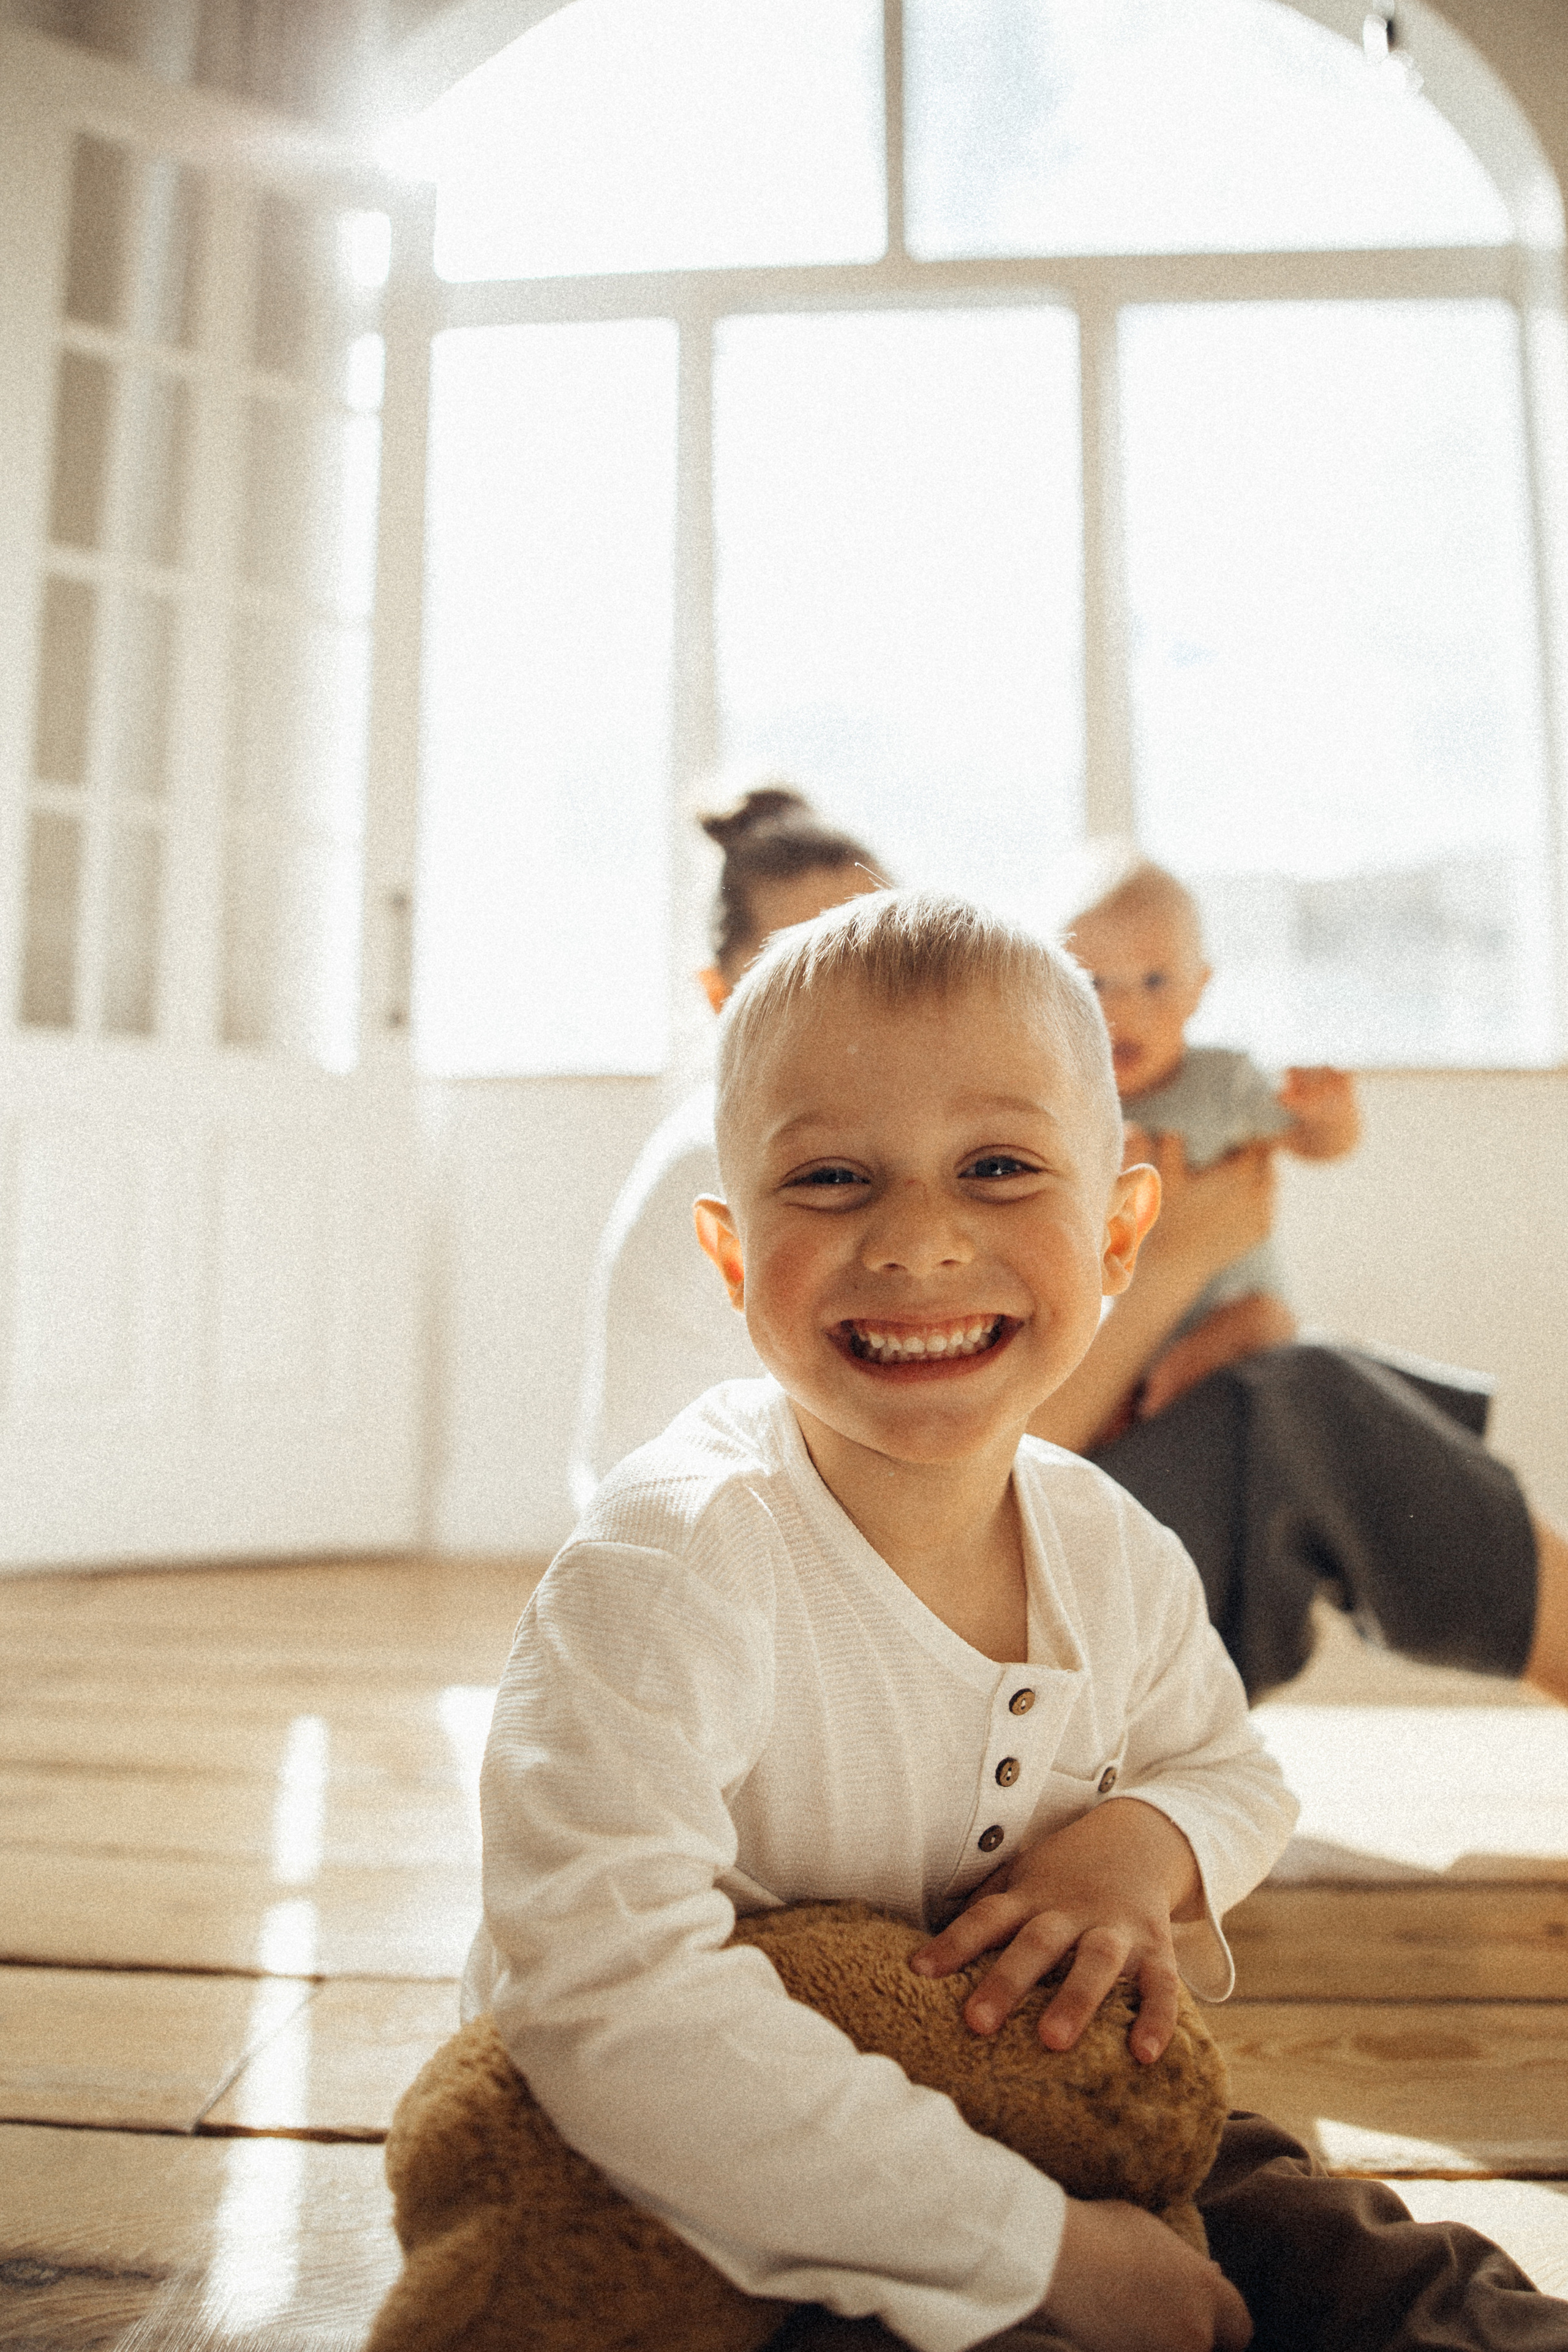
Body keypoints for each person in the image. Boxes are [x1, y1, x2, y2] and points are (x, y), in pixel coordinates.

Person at [468, 891, 1568, 2352]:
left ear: (1118, 1233)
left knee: (1357, 2253)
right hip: (714, 2151)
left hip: (1023, 2086)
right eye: (832, 1179)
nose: (917, 1240)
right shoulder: (673, 1560)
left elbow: (1232, 1771)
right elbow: (603, 1993)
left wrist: (1141, 1843)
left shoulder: (1108, 1542)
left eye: (996, 1166)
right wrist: (1036, 2249)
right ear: (731, 1262)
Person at [569, 783, 883, 1510]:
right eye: (801, 970)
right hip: (704, 1546)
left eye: (881, 957)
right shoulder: (729, 1158)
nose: (856, 1000)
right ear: (720, 997)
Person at [1063, 850, 1359, 1425]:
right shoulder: (1062, 1099)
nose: (1124, 1008)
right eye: (1095, 982)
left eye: (1154, 981)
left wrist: (1325, 1116)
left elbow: (1316, 1145)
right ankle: (1143, 1401)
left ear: (1199, 988)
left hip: (1230, 1306)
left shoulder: (1222, 1082)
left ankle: (1167, 1387)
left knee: (1267, 1324)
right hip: (1116, 1327)